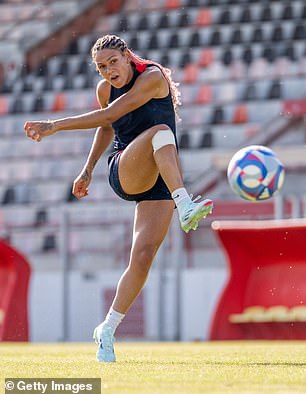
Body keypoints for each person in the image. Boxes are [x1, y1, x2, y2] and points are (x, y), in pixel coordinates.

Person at [24, 34, 213, 362]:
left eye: (113, 62)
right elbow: (108, 124)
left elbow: (116, 112)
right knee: (160, 133)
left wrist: (55, 125)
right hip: (126, 168)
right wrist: (87, 169)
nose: (109, 71)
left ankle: (107, 330)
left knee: (142, 257)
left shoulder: (153, 77)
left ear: (127, 56)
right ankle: (185, 204)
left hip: (160, 179)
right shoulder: (104, 90)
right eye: (101, 67)